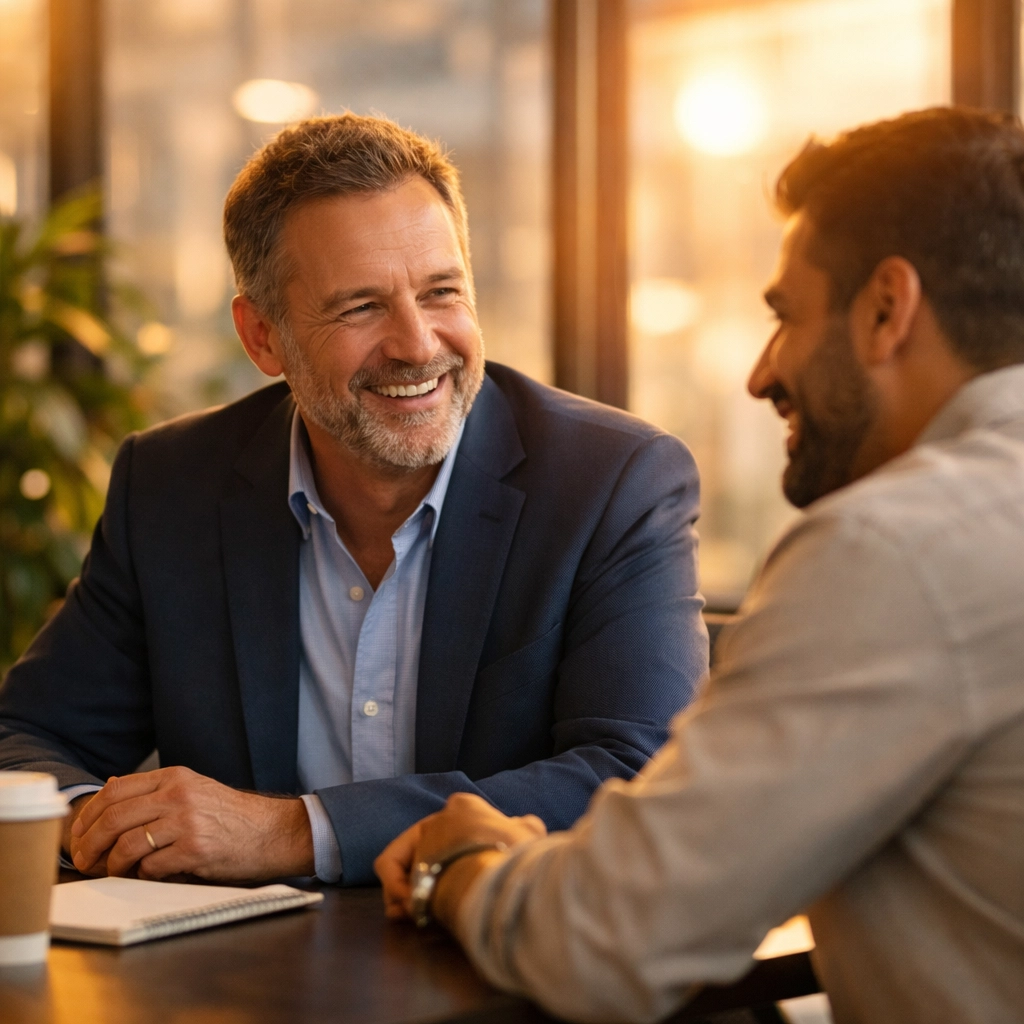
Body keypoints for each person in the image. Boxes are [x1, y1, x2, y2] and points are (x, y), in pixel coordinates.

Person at [376, 106, 1024, 1024]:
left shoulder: (895, 547)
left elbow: (610, 941)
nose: (762, 374)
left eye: (786, 317)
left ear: (887, 310)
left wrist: (461, 863)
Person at [0, 115, 707, 886]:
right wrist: (94, 824)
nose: (416, 343)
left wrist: (292, 832)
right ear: (263, 337)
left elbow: (635, 777)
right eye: (361, 307)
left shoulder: (613, 482)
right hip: (239, 984)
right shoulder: (173, 486)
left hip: (507, 976)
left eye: (442, 292)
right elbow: (25, 734)